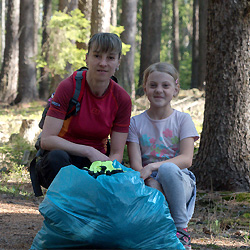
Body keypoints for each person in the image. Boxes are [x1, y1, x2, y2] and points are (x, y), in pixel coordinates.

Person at [37, 32, 132, 189]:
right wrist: (88, 151)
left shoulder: (122, 99)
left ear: (118, 62)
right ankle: (64, 207)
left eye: (110, 58)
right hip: (62, 158)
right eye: (97, 56)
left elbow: (116, 154)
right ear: (86, 58)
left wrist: (105, 167)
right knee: (56, 158)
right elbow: (47, 140)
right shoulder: (69, 87)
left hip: (96, 162)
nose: (103, 63)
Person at [126, 62, 199, 250]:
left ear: (175, 89)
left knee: (167, 169)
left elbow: (186, 159)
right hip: (148, 181)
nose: (159, 90)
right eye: (153, 85)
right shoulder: (135, 123)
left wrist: (152, 167)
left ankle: (180, 229)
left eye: (165, 86)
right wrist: (150, 179)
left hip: (180, 180)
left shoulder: (183, 120)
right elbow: (136, 165)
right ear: (145, 88)